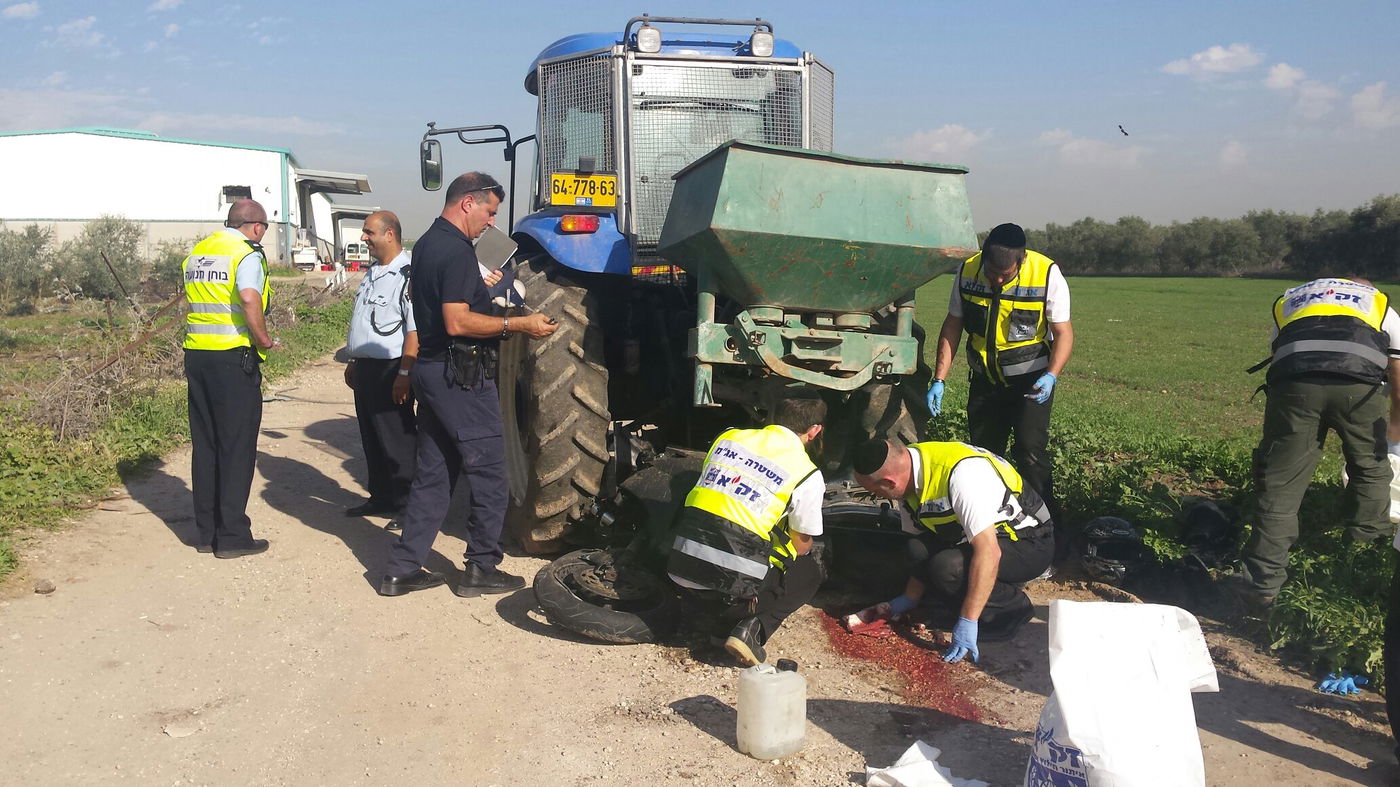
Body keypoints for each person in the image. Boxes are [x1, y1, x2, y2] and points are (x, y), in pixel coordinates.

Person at [379, 172, 558, 598]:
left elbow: (447, 302)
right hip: (460, 375)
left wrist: (480, 287)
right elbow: (457, 321)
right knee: (491, 472)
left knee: (434, 473)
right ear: (467, 203)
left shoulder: (426, 244)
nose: (492, 223)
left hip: (432, 370)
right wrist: (520, 323)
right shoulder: (457, 250)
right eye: (489, 212)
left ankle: (402, 569)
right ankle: (482, 567)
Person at [1239, 276, 1400, 609]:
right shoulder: (1379, 304)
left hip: (1295, 385)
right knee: (1369, 470)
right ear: (1366, 287)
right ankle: (1361, 572)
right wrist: (1396, 424)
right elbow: (1398, 368)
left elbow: (1280, 352)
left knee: (1280, 483)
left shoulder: (1292, 300)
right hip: (1357, 388)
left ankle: (1263, 587)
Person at [928, 223, 1073, 546]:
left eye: (1004, 275)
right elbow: (954, 324)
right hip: (985, 382)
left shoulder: (1046, 273)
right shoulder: (967, 271)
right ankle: (991, 532)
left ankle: (1050, 535)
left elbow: (1063, 333)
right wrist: (939, 378)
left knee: (1030, 456)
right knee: (984, 459)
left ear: (1020, 261)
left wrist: (1051, 375)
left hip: (1031, 384)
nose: (996, 280)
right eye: (991, 272)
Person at [852, 438, 1054, 664]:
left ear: (890, 483)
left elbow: (989, 552)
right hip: (976, 536)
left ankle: (1012, 611)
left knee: (948, 567)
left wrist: (968, 620)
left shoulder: (962, 476)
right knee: (915, 549)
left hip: (1028, 540)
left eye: (875, 491)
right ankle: (964, 601)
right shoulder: (907, 476)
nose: (877, 497)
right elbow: (919, 543)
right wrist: (909, 599)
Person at [667, 395, 829, 666]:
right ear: (815, 430)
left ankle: (718, 623)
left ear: (773, 417)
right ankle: (752, 630)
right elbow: (802, 546)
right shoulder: (807, 474)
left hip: (680, 570)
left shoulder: (728, 438)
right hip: (728, 592)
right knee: (809, 572)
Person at [181, 198, 278, 558]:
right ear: (255, 227)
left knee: (206, 445)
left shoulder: (199, 251)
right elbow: (250, 299)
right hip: (233, 357)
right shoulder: (246, 253)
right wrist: (264, 340)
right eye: (264, 230)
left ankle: (206, 533)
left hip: (197, 355)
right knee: (236, 447)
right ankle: (234, 537)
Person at [343, 210, 417, 529]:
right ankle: (381, 496)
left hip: (392, 368)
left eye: (368, 232)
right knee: (371, 435)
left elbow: (414, 331)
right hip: (367, 368)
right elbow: (364, 321)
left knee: (397, 438)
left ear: (389, 234)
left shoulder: (408, 274)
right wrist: (354, 361)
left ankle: (408, 506)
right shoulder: (374, 271)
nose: (363, 238)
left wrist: (404, 374)